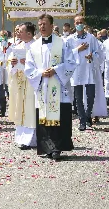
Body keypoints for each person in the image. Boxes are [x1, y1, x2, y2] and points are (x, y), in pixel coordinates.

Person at [25, 14, 76, 160]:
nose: (42, 27)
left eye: (45, 24)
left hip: (58, 87)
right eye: (40, 24)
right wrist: (41, 73)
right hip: (42, 87)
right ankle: (47, 148)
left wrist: (56, 70)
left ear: (52, 25)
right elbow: (29, 68)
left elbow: (71, 63)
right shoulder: (34, 46)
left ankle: (57, 147)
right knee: (43, 118)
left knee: (60, 117)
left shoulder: (63, 43)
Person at [68, 15, 103, 131]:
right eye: (77, 22)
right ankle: (82, 120)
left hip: (89, 70)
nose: (79, 24)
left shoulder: (91, 38)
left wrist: (92, 55)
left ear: (84, 23)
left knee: (90, 96)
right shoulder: (70, 39)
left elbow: (99, 53)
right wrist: (77, 49)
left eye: (81, 22)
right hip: (77, 71)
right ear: (74, 24)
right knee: (78, 98)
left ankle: (88, 116)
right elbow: (66, 55)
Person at [8, 22, 37, 149]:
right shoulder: (17, 46)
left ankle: (32, 139)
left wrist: (29, 63)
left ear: (29, 33)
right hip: (20, 81)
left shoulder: (37, 46)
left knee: (30, 110)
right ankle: (21, 137)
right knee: (20, 109)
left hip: (32, 83)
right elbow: (9, 63)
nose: (18, 33)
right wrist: (13, 63)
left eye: (21, 31)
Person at [0, 30, 12, 117]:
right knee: (0, 92)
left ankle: (12, 110)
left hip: (8, 70)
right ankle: (1, 109)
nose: (3, 37)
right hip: (0, 70)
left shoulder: (11, 46)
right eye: (2, 36)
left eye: (5, 35)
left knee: (10, 90)